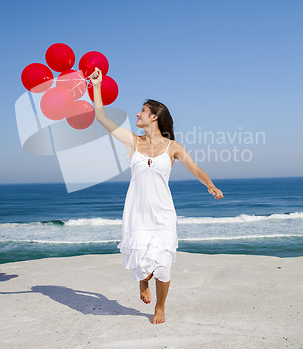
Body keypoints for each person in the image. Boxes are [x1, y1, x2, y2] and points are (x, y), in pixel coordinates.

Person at [89, 67, 223, 324]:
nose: (137, 114)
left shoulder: (173, 147)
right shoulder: (132, 142)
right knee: (141, 259)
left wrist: (210, 184)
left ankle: (160, 307)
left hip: (163, 212)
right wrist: (97, 86)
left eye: (142, 111)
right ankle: (142, 282)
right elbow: (100, 117)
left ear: (154, 117)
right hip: (137, 212)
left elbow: (195, 168)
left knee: (162, 263)